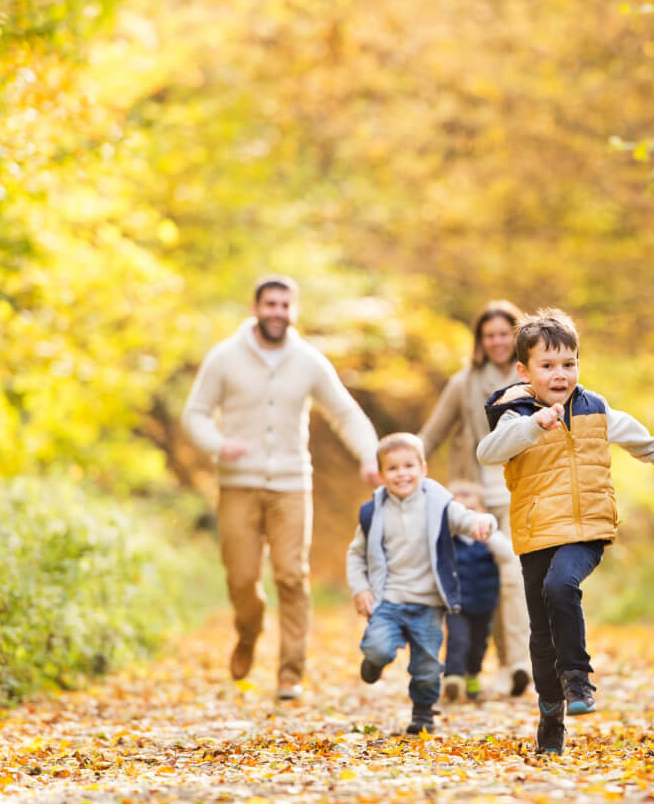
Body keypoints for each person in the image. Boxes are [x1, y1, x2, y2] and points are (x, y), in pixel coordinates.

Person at [476, 308, 654, 756]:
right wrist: (533, 425)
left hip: (587, 528)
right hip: (536, 533)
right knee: (539, 633)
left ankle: (578, 680)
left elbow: (630, 432)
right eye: (547, 366)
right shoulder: (517, 413)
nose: (560, 374)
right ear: (524, 371)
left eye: (568, 364)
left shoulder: (594, 407)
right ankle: (551, 710)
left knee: (561, 585)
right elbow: (488, 452)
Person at [183, 275, 381, 702]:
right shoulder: (225, 357)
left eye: (285, 305)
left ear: (294, 311)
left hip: (292, 485)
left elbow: (344, 413)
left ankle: (290, 674)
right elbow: (195, 414)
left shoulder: (308, 360)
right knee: (241, 577)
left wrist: (369, 456)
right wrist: (220, 445)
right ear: (255, 308)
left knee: (292, 576)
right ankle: (248, 632)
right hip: (238, 484)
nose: (277, 312)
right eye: (270, 304)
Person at [346, 434, 497, 735]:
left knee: (427, 667)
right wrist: (360, 588)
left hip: (427, 603)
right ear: (380, 475)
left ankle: (424, 713)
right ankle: (374, 663)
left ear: (423, 469)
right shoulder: (373, 512)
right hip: (388, 599)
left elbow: (466, 519)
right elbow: (356, 554)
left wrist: (484, 523)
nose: (402, 473)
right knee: (377, 648)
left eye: (408, 466)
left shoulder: (439, 505)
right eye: (392, 468)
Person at [419, 301, 533, 696]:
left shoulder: (534, 380)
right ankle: (471, 665)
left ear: (517, 335)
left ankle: (517, 662)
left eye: (505, 333)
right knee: (475, 582)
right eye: (490, 335)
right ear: (480, 341)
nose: (498, 341)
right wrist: (400, 466)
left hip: (519, 491)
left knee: (514, 577)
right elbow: (431, 434)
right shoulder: (464, 383)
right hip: (474, 497)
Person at [440, 480, 519, 703]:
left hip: (484, 603)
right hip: (456, 603)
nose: (467, 518)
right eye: (460, 512)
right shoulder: (448, 539)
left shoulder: (490, 541)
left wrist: (487, 533)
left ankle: (473, 675)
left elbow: (507, 556)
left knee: (478, 644)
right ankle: (453, 677)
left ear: (483, 512)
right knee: (458, 640)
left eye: (471, 511)